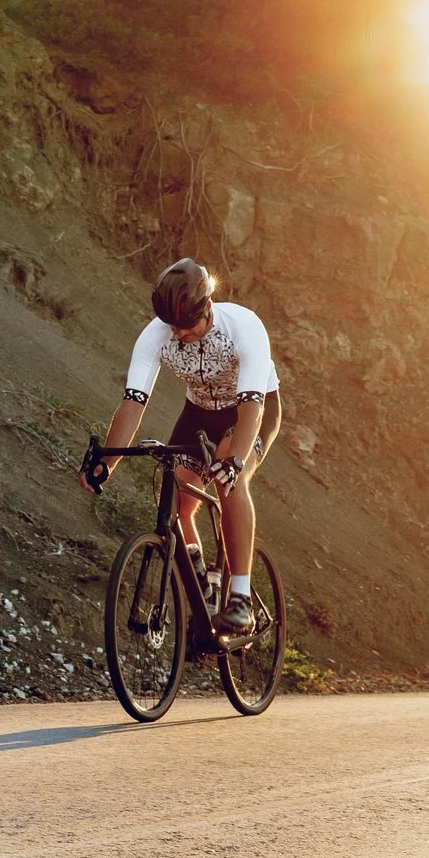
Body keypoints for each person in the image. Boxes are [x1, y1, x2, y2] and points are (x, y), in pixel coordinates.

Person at [83, 258, 283, 640]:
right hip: (199, 412)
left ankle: (240, 600)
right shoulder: (155, 336)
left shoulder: (244, 327)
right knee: (172, 496)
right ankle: (204, 591)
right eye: (172, 327)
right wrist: (107, 463)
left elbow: (252, 408)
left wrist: (235, 462)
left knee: (230, 482)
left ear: (207, 309)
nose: (180, 334)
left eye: (187, 326)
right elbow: (132, 403)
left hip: (250, 410)